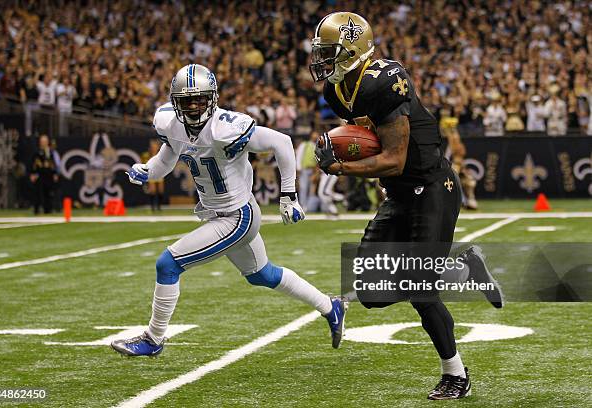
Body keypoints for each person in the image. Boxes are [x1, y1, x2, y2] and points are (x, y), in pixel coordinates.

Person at [310, 12, 503, 400]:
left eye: (329, 52)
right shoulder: (336, 91)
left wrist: (341, 166)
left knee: (421, 290)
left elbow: (395, 158)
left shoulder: (385, 80)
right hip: (398, 193)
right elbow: (370, 139)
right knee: (370, 290)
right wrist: (345, 147)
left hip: (431, 186)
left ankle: (456, 374)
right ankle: (464, 267)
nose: (322, 59)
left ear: (353, 49)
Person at [111, 64, 347, 357]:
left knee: (167, 264)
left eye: (200, 100)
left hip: (237, 216)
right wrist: (149, 171)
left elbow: (281, 142)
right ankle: (330, 306)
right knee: (262, 275)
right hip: (220, 213)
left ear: (213, 99)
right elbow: (167, 158)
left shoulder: (226, 127)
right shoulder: (170, 124)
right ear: (176, 103)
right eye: (187, 101)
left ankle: (153, 339)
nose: (195, 107)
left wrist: (288, 196)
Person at [30, 134, 59, 214]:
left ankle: (48, 209)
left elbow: (53, 164)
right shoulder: (37, 152)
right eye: (42, 141)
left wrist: (55, 174)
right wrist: (33, 173)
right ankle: (36, 209)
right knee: (38, 193)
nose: (44, 143)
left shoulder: (50, 152)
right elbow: (33, 164)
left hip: (48, 175)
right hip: (39, 175)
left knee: (48, 193)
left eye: (45, 141)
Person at [140, 139, 165, 211]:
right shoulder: (147, 154)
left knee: (160, 190)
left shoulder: (160, 154)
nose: (154, 147)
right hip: (151, 173)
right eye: (152, 146)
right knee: (152, 190)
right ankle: (152, 207)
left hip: (159, 173)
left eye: (155, 145)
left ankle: (159, 206)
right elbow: (143, 163)